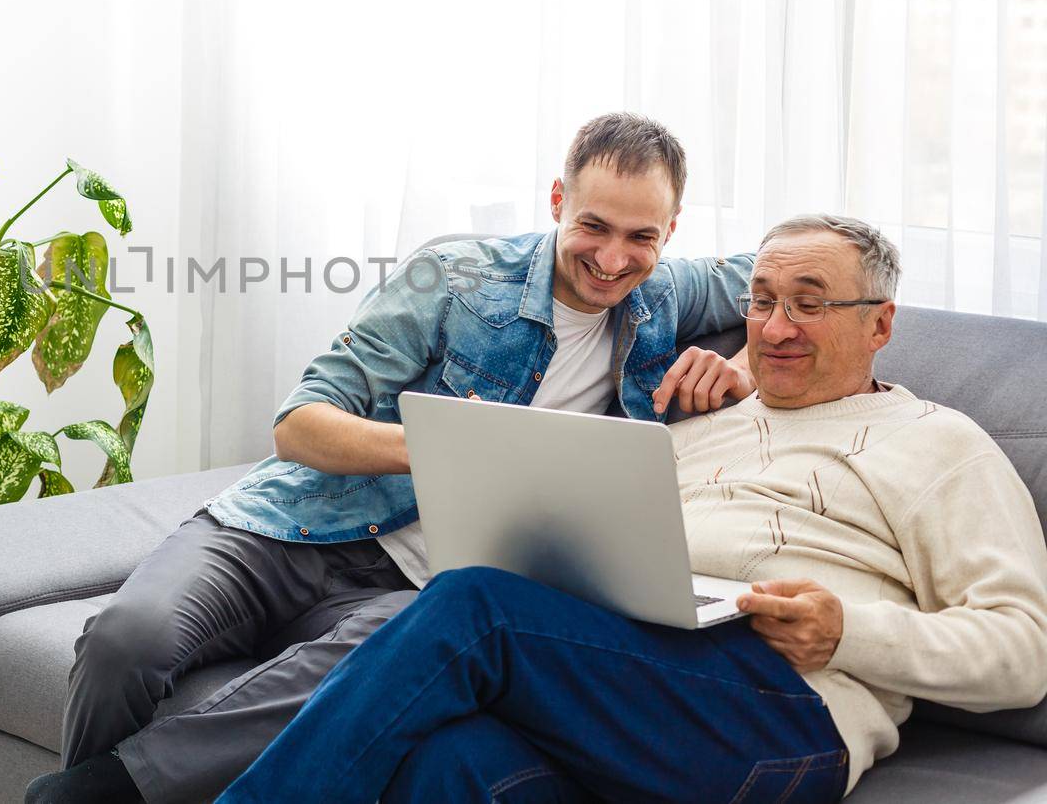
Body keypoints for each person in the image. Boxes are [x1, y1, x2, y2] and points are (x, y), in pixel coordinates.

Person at [27, 113, 756, 804]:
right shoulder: (452, 274)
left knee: (401, 657)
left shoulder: (665, 293)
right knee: (125, 642)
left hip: (406, 590)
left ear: (672, 230)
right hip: (287, 527)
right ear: (558, 199)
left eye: (641, 236)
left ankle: (102, 792)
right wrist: (445, 451)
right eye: (593, 225)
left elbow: (798, 268)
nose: (612, 257)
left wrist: (748, 364)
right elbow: (299, 424)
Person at [219, 214, 1047, 804]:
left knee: (474, 605)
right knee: (453, 761)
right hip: (633, 677)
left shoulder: (941, 442)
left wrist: (848, 632)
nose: (776, 325)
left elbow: (1024, 649)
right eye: (760, 300)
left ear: (881, 323)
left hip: (781, 710)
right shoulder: (702, 419)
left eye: (809, 301)